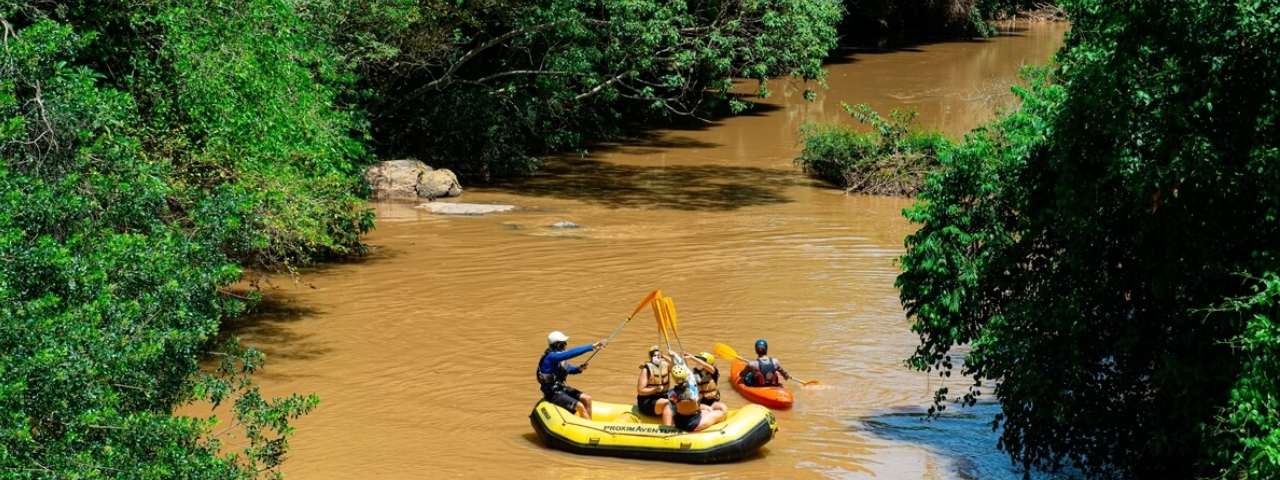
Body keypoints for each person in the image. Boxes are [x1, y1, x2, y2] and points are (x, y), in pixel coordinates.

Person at [536, 330, 606, 420]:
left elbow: (569, 369)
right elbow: (571, 353)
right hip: (552, 393)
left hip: (561, 388)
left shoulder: (558, 358)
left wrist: (578, 369)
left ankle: (588, 422)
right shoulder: (551, 357)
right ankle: (591, 429)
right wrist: (592, 346)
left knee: (587, 399)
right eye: (563, 342)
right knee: (580, 406)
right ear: (557, 344)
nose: (565, 344)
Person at [662, 364, 727, 432]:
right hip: (693, 423)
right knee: (720, 413)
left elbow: (673, 410)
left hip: (679, 423)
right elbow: (697, 404)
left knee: (706, 411)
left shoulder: (671, 392)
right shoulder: (692, 388)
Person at [637, 345, 673, 417]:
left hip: (663, 397)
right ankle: (667, 427)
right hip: (648, 400)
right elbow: (640, 391)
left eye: (659, 355)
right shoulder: (646, 369)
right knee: (669, 404)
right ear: (651, 357)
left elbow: (676, 367)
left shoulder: (666, 365)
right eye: (654, 355)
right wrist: (655, 389)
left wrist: (666, 357)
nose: (657, 357)